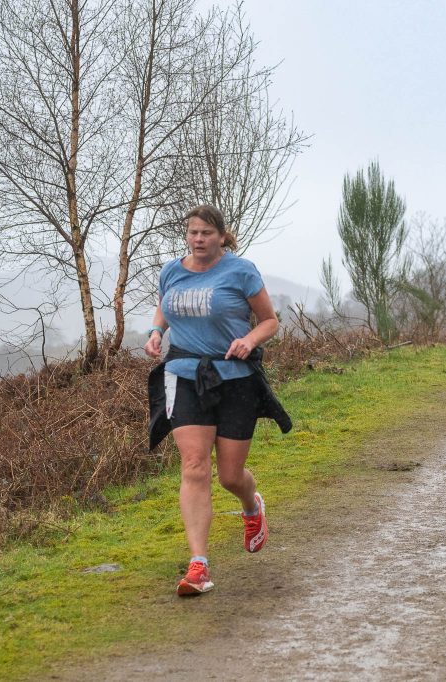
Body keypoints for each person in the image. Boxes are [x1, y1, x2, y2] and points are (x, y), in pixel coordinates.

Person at [145, 204, 291, 596]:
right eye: (193, 232)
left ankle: (251, 506)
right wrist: (156, 332)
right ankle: (199, 565)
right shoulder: (171, 271)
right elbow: (164, 305)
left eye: (206, 233)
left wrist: (249, 340)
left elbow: (270, 321)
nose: (198, 239)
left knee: (229, 475)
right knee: (194, 466)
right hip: (184, 374)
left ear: (222, 236)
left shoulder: (241, 271)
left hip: (234, 378)